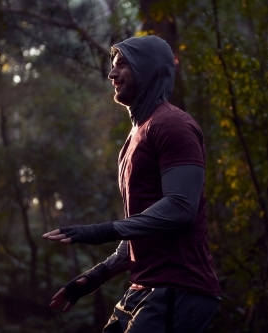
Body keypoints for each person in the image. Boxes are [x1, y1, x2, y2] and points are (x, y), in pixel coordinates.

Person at [42, 35, 221, 333]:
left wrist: (102, 231)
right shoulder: (134, 138)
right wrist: (96, 276)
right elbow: (142, 229)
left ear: (147, 69)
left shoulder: (173, 125)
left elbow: (180, 208)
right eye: (113, 66)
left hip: (179, 288)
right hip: (144, 288)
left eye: (122, 65)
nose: (111, 74)